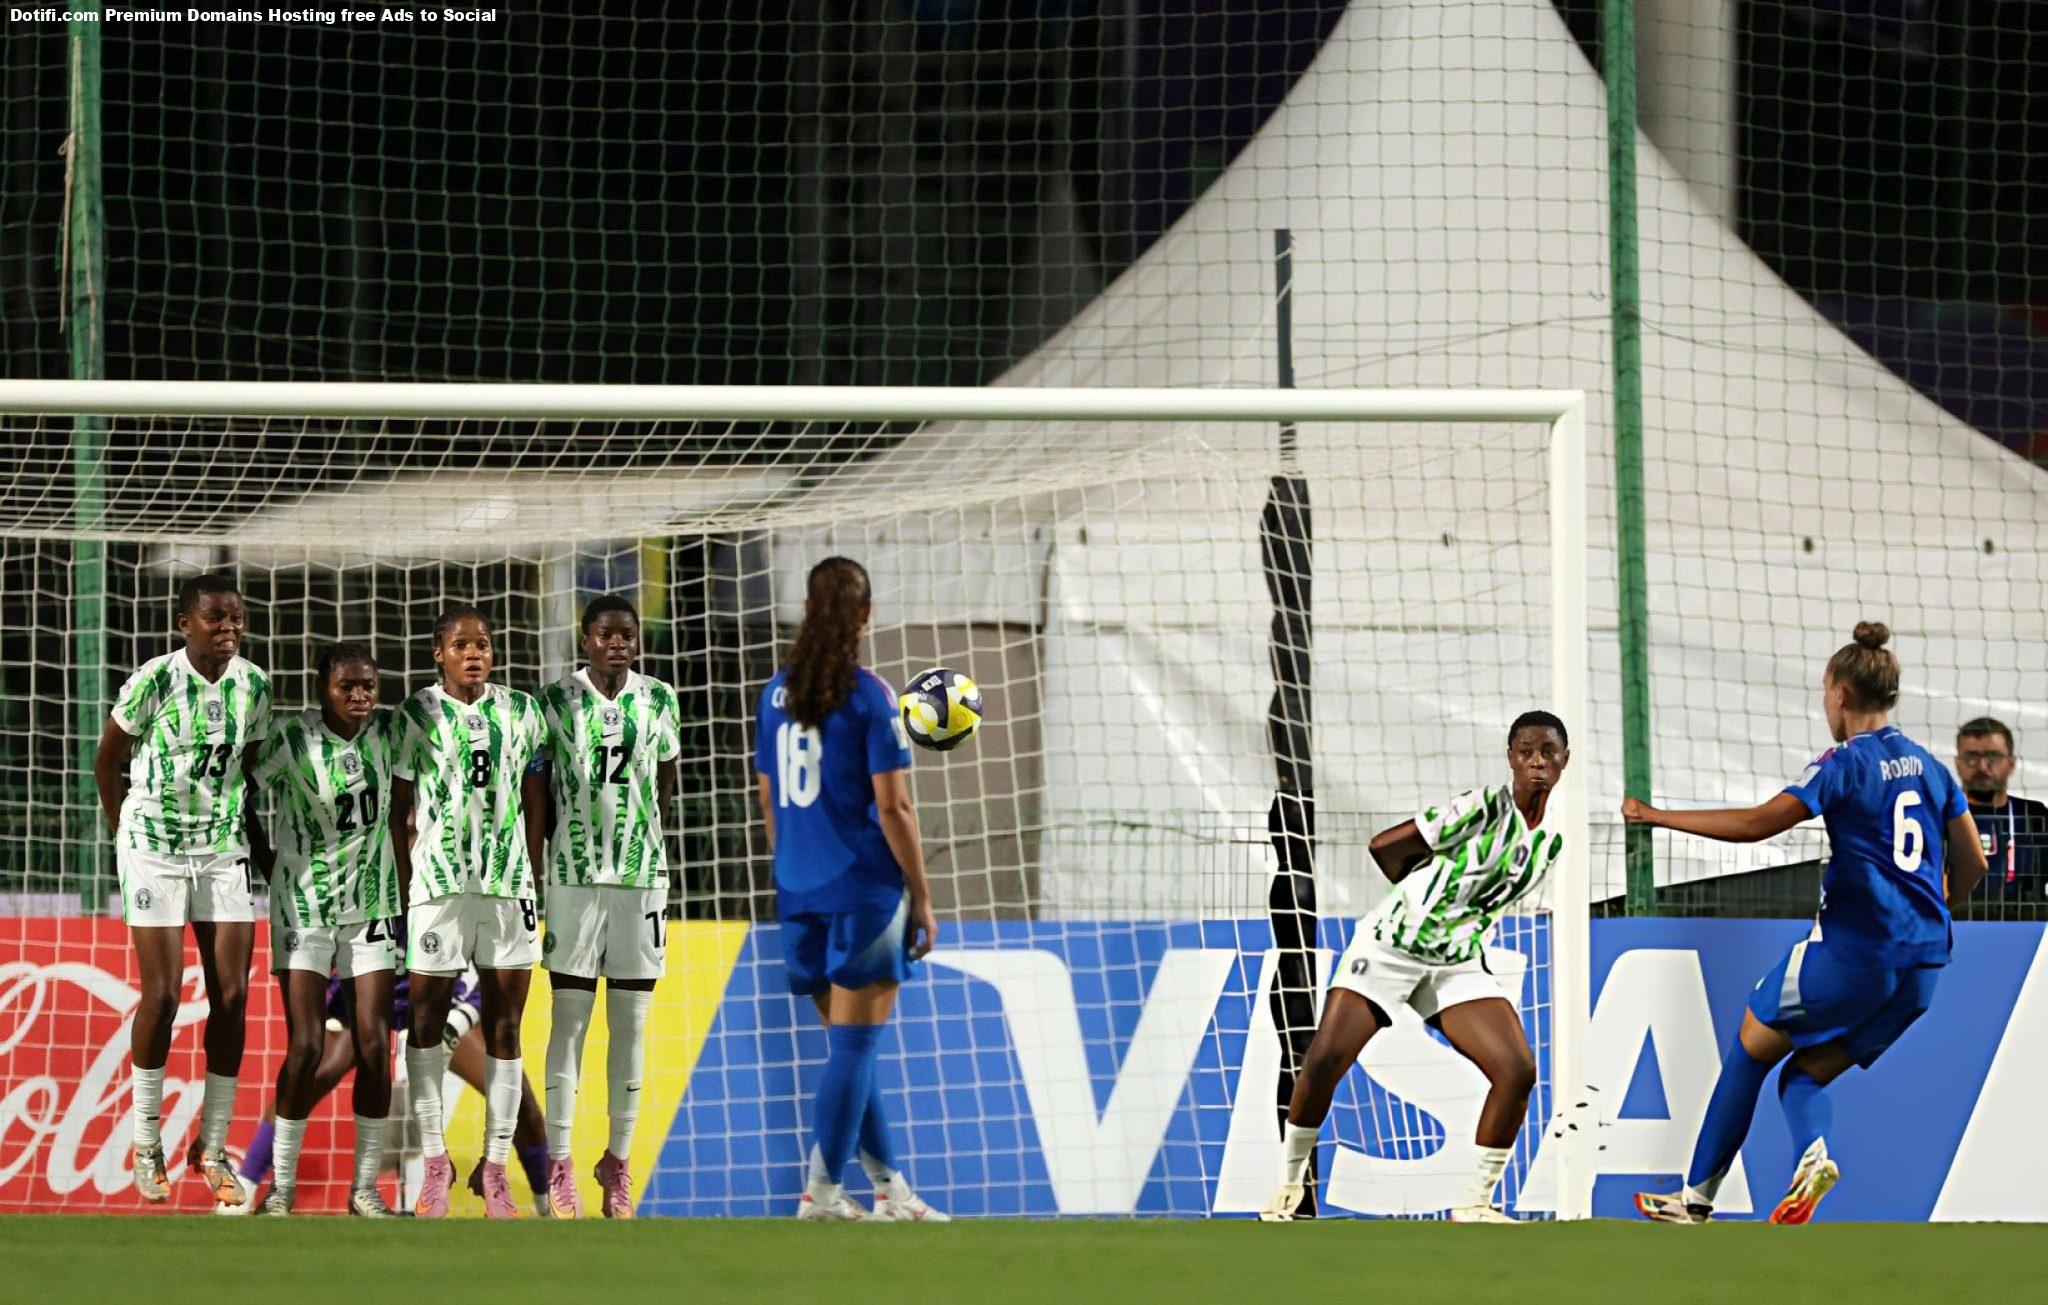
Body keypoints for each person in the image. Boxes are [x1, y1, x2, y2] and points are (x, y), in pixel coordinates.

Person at [1628, 623, 1987, 1224]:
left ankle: (1694, 1199)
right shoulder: (1930, 767)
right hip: (1925, 966)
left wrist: (1655, 815)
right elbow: (1973, 861)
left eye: (1825, 692)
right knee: (1803, 1074)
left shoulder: (1843, 764)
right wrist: (1938, 907)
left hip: (1854, 955)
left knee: (1749, 1044)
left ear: (1841, 694)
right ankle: (1813, 1157)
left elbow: (1757, 825)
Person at [1260, 712, 1572, 1224]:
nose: (1537, 761)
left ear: (1565, 759)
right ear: (1510, 757)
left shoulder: (1553, 838)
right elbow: (1385, 846)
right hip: (1391, 947)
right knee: (1324, 1060)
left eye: (1549, 752)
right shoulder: (1480, 808)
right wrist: (1417, 900)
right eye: (1525, 751)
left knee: (1516, 1069)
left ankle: (1474, 1204)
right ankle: (1288, 1189)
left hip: (1455, 962)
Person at [754, 557, 946, 1222]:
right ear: (866, 615)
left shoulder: (775, 692)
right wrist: (920, 895)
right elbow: (894, 808)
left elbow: (770, 795)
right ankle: (822, 1193)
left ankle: (890, 1189)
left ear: (808, 609)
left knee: (847, 1051)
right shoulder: (871, 696)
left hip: (798, 888)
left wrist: (795, 867)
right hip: (864, 889)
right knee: (855, 1049)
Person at [93, 571, 272, 1207]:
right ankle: (147, 1142)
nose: (228, 630)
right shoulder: (155, 679)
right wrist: (126, 836)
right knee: (164, 994)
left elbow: (245, 774)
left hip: (223, 851)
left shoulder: (254, 685)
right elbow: (106, 759)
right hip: (155, 851)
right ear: (185, 625)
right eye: (215, 619)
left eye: (236, 619)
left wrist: (262, 847)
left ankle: (213, 1144)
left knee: (232, 995)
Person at [390, 602, 548, 1218]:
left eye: (482, 642)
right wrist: (408, 889)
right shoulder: (414, 715)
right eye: (460, 645)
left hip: (508, 891)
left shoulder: (522, 712)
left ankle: (498, 1167)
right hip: (438, 890)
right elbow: (399, 809)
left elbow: (538, 803)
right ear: (439, 654)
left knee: (507, 1029)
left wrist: (531, 875)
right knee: (424, 1026)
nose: (474, 652)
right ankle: (435, 1163)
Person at [537, 595, 681, 1219]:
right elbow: (535, 789)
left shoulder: (660, 698)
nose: (617, 643)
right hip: (572, 879)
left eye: (626, 634)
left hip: (641, 880)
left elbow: (668, 777)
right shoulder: (554, 702)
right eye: (605, 634)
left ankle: (616, 1163)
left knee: (632, 1024)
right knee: (569, 1020)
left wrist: (644, 839)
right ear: (586, 639)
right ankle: (561, 1163)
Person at [249, 641, 401, 1215]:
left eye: (368, 685)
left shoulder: (390, 734)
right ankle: (280, 1187)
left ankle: (364, 1189)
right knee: (308, 1044)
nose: (360, 696)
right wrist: (267, 860)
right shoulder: (291, 739)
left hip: (372, 903)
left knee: (374, 1046)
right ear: (323, 689)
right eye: (347, 686)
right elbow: (242, 788)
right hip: (303, 905)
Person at [223, 964, 556, 1216]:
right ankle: (246, 1185)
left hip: (437, 991)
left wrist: (464, 1012)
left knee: (512, 1089)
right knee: (312, 1076)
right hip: (374, 981)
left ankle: (545, 1202)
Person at [1954, 717, 2048, 916]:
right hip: (1954, 932)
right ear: (1958, 763)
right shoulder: (1940, 817)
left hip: (2028, 934)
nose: (1982, 766)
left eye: (1993, 756)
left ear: (2012, 764)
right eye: (1972, 757)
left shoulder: (2034, 817)